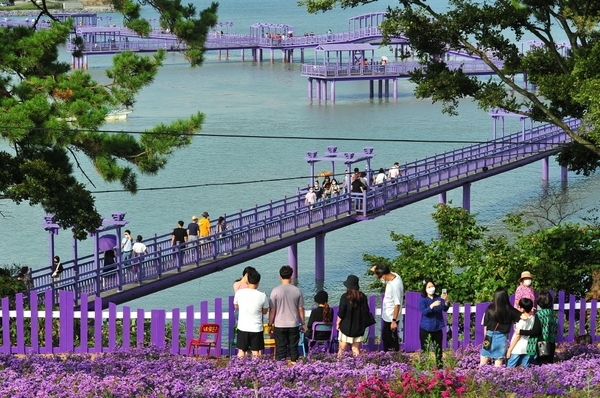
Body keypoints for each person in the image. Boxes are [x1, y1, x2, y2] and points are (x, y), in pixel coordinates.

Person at [268, 265, 306, 362]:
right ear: (291, 276)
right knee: (293, 347)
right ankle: (294, 365)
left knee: (281, 348)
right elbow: (300, 309)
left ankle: (281, 369)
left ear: (280, 277)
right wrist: (303, 323)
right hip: (293, 323)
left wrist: (270, 323)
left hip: (279, 323)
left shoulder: (275, 291)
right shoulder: (297, 291)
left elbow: (272, 310)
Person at [480, 287, 522, 367]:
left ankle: (481, 379)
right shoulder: (510, 310)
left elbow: (485, 326)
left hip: (489, 337)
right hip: (502, 338)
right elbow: (521, 317)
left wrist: (485, 338)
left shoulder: (490, 309)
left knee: (482, 364)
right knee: (498, 367)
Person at [233, 269, 269, 357]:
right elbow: (265, 312)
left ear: (248, 281)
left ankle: (238, 369)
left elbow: (236, 306)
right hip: (256, 328)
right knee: (256, 352)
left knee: (241, 352)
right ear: (258, 282)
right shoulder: (262, 296)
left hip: (243, 327)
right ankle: (255, 369)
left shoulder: (239, 293)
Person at [517, 290, 558, 365]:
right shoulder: (552, 313)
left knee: (541, 366)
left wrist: (521, 331)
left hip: (542, 344)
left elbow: (535, 331)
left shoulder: (540, 314)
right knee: (549, 366)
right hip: (551, 342)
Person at [371, 264, 404, 351]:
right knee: (385, 338)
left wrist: (393, 321)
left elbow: (397, 304)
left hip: (391, 316)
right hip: (388, 316)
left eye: (380, 277)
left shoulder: (395, 286)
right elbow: (379, 271)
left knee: (391, 340)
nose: (380, 279)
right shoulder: (395, 275)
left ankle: (394, 358)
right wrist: (376, 270)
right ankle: (388, 356)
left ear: (384, 275)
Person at [337, 275, 371, 357]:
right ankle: (358, 366)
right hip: (359, 327)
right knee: (355, 349)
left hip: (346, 327)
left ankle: (338, 365)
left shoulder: (345, 297)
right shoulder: (363, 297)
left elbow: (341, 312)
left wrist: (337, 323)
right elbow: (366, 311)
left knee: (342, 348)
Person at [419, 278, 450, 368]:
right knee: (425, 350)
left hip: (437, 327)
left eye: (432, 286)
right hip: (426, 328)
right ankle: (424, 367)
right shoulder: (423, 299)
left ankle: (440, 367)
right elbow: (424, 311)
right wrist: (432, 306)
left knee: (439, 349)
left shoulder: (438, 298)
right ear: (425, 288)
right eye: (429, 286)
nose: (431, 288)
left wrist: (446, 301)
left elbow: (444, 309)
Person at [506, 297, 535, 368]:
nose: (518, 308)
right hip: (527, 347)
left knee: (509, 369)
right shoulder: (533, 318)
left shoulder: (521, 320)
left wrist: (509, 350)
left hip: (517, 348)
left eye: (519, 307)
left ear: (522, 309)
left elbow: (517, 336)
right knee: (526, 370)